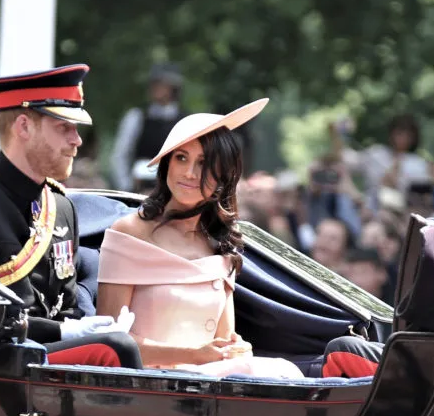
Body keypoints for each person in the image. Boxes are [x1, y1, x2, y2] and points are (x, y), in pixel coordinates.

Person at [97, 101, 383, 379]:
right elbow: (108, 345)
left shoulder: (220, 244)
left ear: (223, 176)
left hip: (212, 382)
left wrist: (232, 350)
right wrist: (194, 354)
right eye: (181, 158)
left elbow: (225, 339)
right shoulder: (130, 232)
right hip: (147, 385)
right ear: (167, 164)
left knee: (295, 371)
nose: (189, 173)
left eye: (203, 163)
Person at [0, 64, 141, 368]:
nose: (77, 140)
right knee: (116, 350)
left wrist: (84, 325)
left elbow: (65, 305)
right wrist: (64, 331)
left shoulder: (60, 206)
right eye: (64, 127)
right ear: (24, 127)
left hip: (45, 361)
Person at [111, 62, 186, 193]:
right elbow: (120, 155)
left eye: (161, 84)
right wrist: (127, 187)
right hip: (141, 189)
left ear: (173, 88)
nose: (155, 88)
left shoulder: (185, 121)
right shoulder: (136, 117)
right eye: (154, 83)